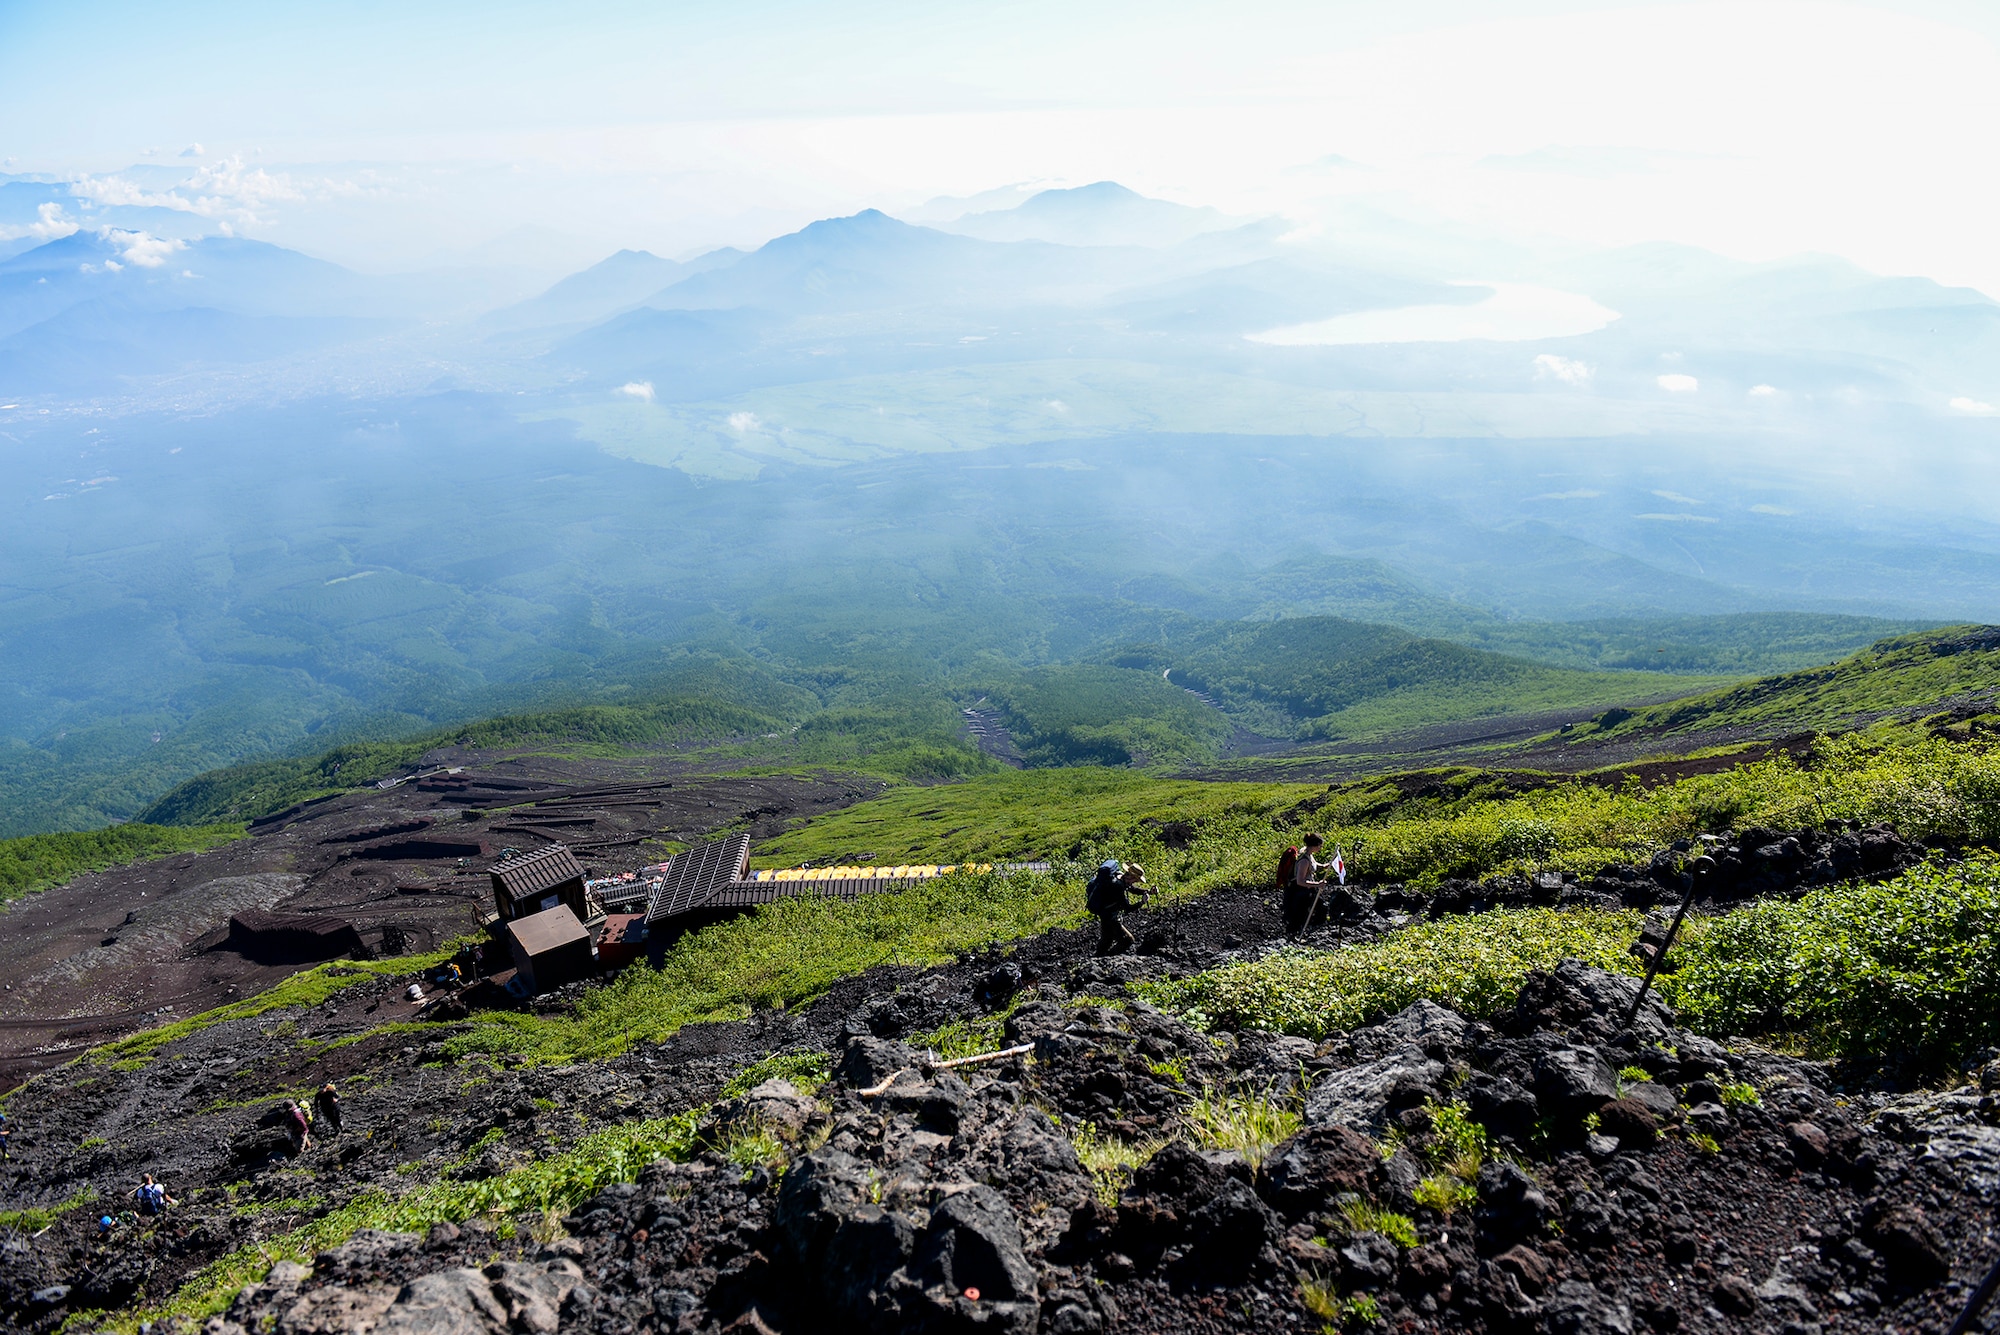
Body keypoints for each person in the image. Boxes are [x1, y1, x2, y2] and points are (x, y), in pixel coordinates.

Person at [1087, 860, 1153, 957]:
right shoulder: (1117, 886)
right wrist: (1142, 902)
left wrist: (1148, 892)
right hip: (1110, 917)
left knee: (1107, 940)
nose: (1134, 882)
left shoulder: (1118, 876)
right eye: (1135, 880)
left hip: (1105, 914)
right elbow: (1128, 908)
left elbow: (1132, 889)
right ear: (1131, 877)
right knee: (1127, 940)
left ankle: (1098, 958)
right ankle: (1106, 958)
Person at [1282, 834, 1330, 936]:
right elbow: (1300, 881)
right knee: (1300, 915)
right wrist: (1318, 884)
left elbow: (1314, 865)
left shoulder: (1309, 854)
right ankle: (1295, 934)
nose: (1320, 848)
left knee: (1321, 908)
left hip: (1309, 889)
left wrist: (1325, 866)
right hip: (1301, 892)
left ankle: (1311, 931)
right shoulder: (1304, 860)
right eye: (1320, 846)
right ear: (1315, 845)